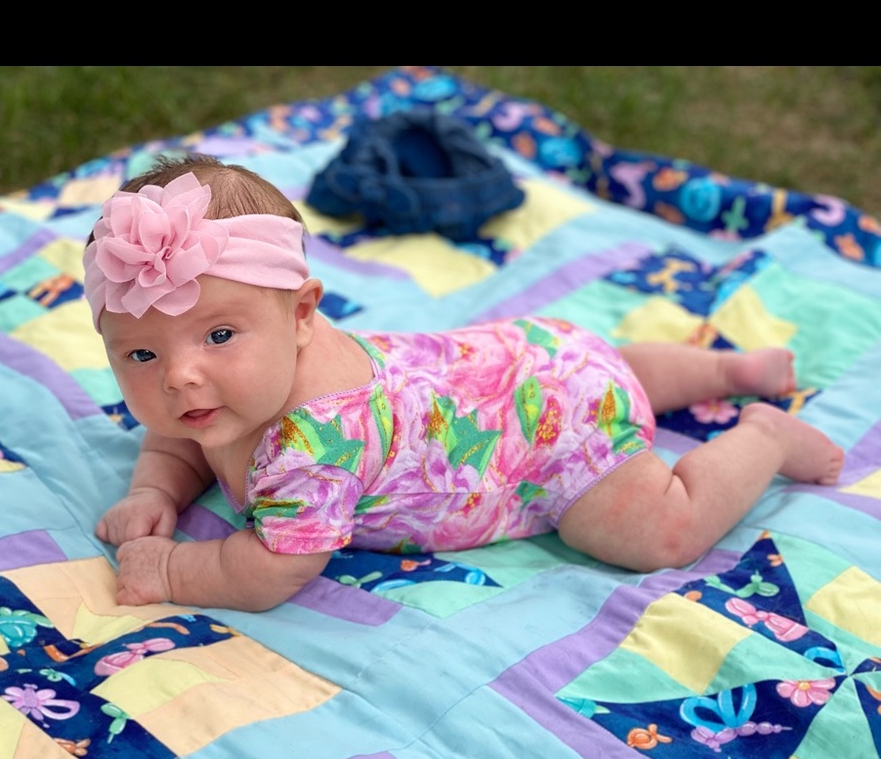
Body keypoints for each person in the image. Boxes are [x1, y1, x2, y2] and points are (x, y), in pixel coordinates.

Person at [84, 155, 844, 611]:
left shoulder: (309, 443)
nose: (181, 378)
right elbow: (175, 436)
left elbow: (270, 568)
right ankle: (719, 370)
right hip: (534, 357)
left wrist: (175, 568)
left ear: (303, 315)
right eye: (140, 356)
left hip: (549, 452)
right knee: (605, 367)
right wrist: (154, 491)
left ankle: (761, 437)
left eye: (219, 335)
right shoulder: (227, 388)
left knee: (658, 533)